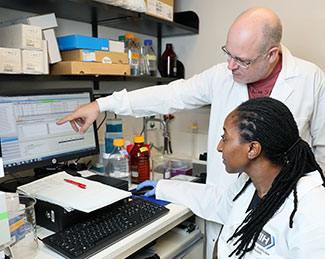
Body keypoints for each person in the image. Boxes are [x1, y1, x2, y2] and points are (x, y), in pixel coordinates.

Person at [57, 7, 325, 258]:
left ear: (271, 54)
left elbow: (322, 147)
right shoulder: (222, 75)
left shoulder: (309, 79)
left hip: (286, 207)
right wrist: (103, 104)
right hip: (236, 203)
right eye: (227, 54)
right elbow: (170, 94)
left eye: (241, 60)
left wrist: (311, 198)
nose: (230, 66)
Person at [138, 97, 325, 258]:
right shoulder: (250, 184)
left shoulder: (312, 207)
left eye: (225, 138)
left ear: (252, 149)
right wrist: (163, 188)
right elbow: (219, 202)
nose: (219, 147)